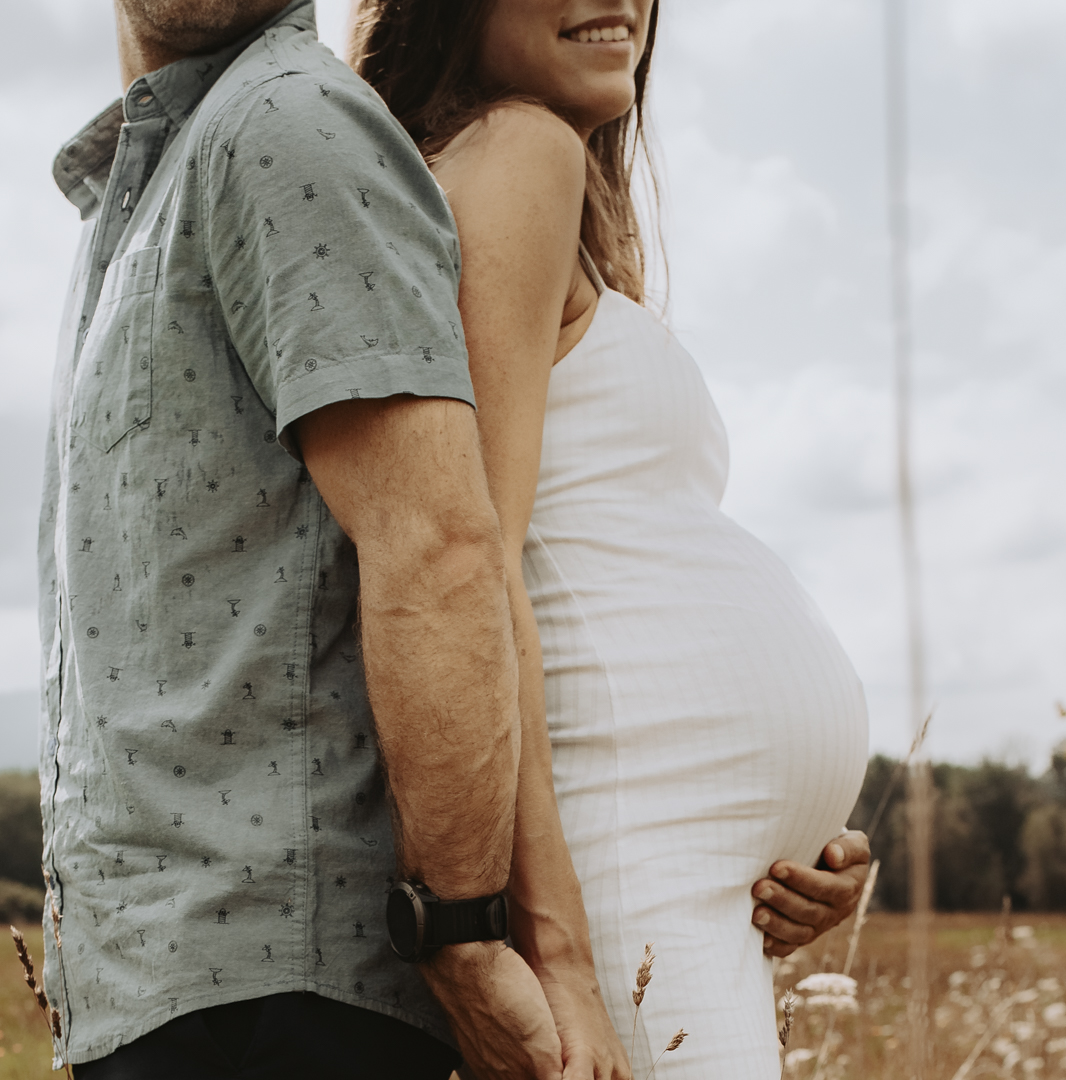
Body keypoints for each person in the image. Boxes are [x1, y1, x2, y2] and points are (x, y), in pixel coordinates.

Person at [36, 1, 569, 1076]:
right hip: (176, 987)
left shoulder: (289, 122)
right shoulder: (154, 184)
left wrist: (460, 931)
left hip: (280, 1002)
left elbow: (440, 546)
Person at [353, 1, 875, 1076]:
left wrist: (798, 844)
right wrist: (562, 953)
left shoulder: (544, 187)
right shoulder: (517, 155)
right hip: (627, 874)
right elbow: (475, 567)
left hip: (675, 878)